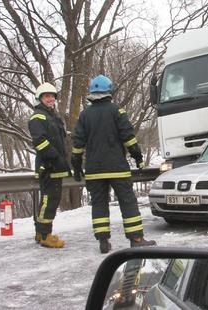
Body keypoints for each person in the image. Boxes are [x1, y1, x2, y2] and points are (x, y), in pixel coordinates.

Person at [71, 74, 156, 254]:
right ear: (109, 91)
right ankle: (136, 239)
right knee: (127, 202)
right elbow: (128, 138)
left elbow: (77, 144)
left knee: (99, 203)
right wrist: (138, 157)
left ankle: (103, 241)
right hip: (117, 168)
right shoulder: (117, 111)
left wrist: (77, 165)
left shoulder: (84, 115)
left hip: (94, 169)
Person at [28, 82, 71, 248]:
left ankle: (40, 233)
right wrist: (55, 158)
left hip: (55, 165)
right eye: (47, 96)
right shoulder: (38, 117)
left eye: (52, 96)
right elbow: (40, 142)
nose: (50, 99)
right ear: (40, 98)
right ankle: (46, 235)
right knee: (50, 200)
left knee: (47, 200)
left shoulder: (52, 116)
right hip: (48, 165)